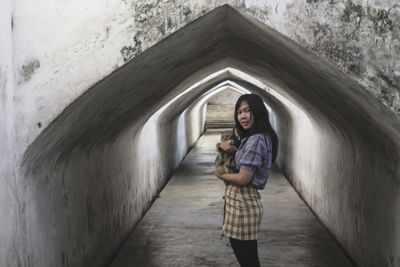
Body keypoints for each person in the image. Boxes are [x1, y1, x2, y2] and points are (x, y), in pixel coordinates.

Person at [216, 94, 278, 267]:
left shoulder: (256, 139)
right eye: (239, 112)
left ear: (257, 112)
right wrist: (233, 150)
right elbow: (248, 163)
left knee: (248, 259)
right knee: (248, 257)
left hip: (243, 204)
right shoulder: (254, 138)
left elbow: (243, 178)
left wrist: (221, 175)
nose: (242, 116)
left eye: (247, 111)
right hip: (241, 203)